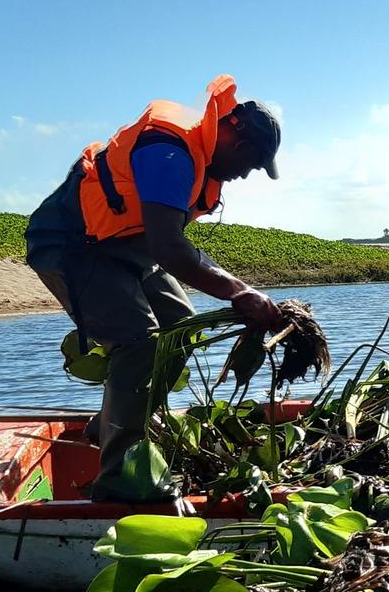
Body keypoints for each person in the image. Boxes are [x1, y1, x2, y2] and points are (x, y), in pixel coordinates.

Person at [25, 74, 286, 501]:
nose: (244, 175)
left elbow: (163, 243)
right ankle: (120, 480)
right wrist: (239, 291)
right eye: (252, 165)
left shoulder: (197, 158)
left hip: (126, 248)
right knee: (139, 343)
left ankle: (110, 424)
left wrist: (236, 289)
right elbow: (170, 247)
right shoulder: (169, 153)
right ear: (239, 145)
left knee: (181, 328)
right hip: (74, 246)